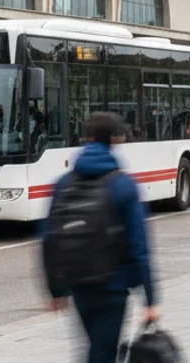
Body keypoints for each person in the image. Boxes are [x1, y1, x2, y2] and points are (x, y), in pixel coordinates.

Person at [41, 112, 158, 363]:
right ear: (114, 141)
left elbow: (48, 238)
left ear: (87, 138)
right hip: (114, 285)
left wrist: (55, 290)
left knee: (92, 348)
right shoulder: (123, 184)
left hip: (77, 282)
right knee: (104, 352)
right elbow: (140, 245)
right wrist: (150, 298)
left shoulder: (63, 183)